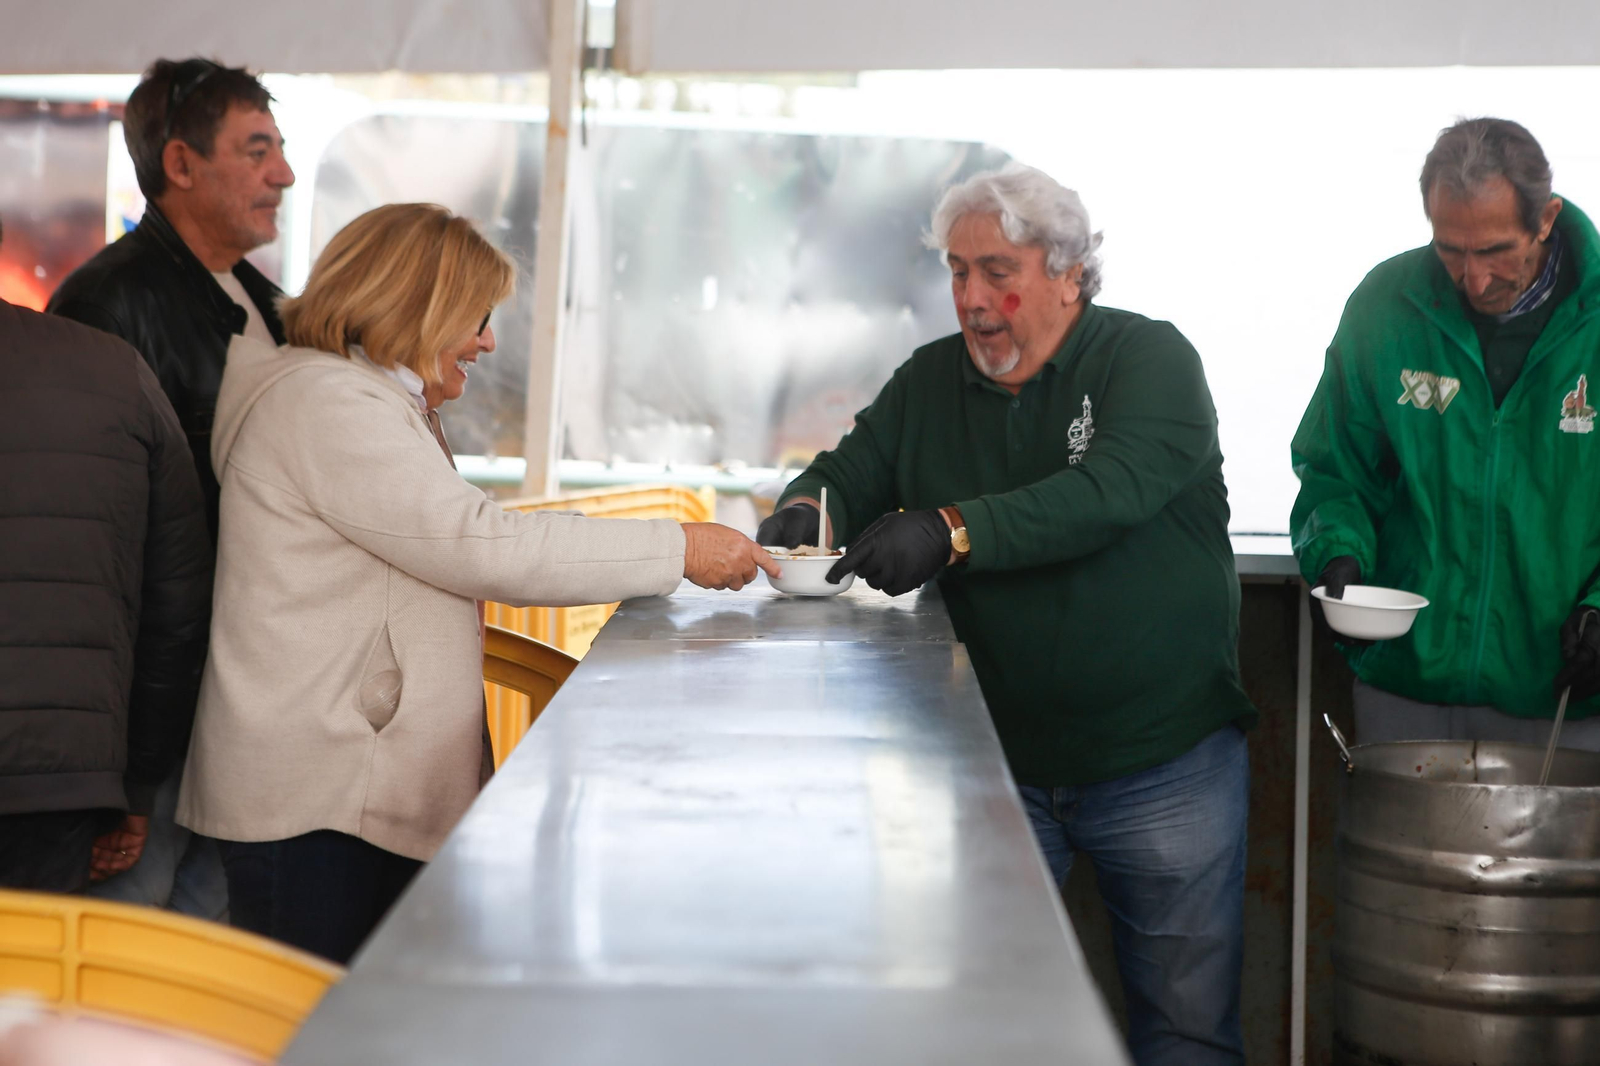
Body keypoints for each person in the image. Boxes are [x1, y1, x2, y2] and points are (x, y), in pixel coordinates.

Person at [176, 203, 777, 964]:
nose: (489, 340)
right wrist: (677, 548)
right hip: (319, 801)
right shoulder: (329, 405)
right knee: (323, 1031)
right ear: (416, 302)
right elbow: (481, 544)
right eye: (478, 315)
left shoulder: (367, 399)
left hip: (338, 791)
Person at [758, 164, 1256, 1066]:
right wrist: (807, 509)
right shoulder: (929, 381)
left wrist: (948, 530)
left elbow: (1103, 494)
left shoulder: (1149, 360)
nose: (972, 298)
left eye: (997, 271)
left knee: (1185, 1029)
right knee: (975, 1016)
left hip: (1161, 759)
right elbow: (851, 467)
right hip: (994, 770)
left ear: (1069, 273)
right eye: (957, 272)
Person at [45, 57, 296, 918]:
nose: (285, 174)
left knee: (213, 938)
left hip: (233, 688)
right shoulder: (106, 305)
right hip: (151, 706)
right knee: (129, 936)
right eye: (257, 149)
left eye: (281, 148)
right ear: (180, 165)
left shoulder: (267, 304)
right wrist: (123, 759)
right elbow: (85, 543)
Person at [1291, 117, 1600, 750]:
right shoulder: (1386, 305)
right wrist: (1338, 552)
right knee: (1392, 855)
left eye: (1493, 251)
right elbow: (1334, 467)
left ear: (1545, 220)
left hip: (1564, 694)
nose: (1473, 278)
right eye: (1449, 249)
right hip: (1406, 683)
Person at [0, 219, 212, 895]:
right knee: (26, 990)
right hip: (55, 782)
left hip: (58, 775)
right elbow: (175, 602)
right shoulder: (113, 371)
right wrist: (138, 782)